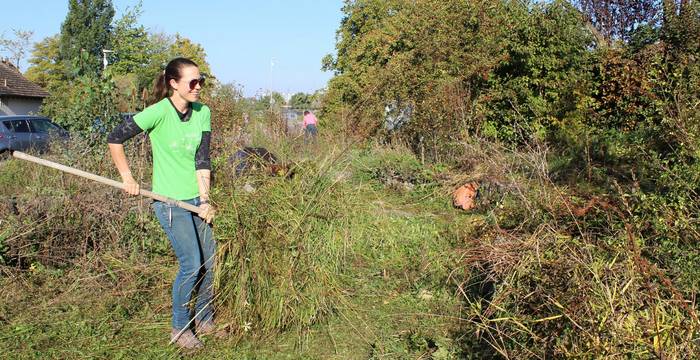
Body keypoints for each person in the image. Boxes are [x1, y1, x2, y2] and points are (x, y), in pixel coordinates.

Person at [107, 57, 221, 350]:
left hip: (197, 199)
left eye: (201, 82)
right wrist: (127, 177)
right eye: (192, 82)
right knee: (191, 265)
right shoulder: (157, 112)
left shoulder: (202, 112)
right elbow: (115, 138)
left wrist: (206, 201)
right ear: (174, 83)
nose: (198, 87)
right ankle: (180, 328)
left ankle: (205, 319)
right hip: (170, 203)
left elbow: (202, 160)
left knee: (211, 261)